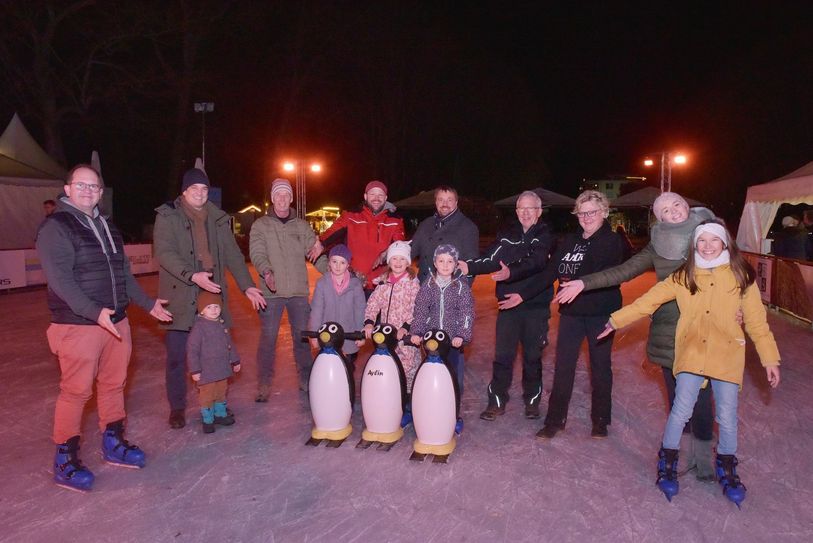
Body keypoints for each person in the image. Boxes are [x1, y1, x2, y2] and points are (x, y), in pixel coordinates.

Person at [599, 220, 780, 505]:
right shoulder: (684, 276)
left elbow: (757, 322)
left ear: (725, 243)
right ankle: (668, 460)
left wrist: (770, 358)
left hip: (726, 355)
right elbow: (649, 301)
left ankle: (727, 464)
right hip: (692, 354)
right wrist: (615, 320)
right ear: (694, 246)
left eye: (714, 240)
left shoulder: (741, 276)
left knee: (728, 417)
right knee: (680, 411)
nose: (708, 247)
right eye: (702, 241)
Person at [554, 192, 718, 479]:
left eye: (677, 204)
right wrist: (583, 282)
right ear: (660, 218)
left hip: (707, 325)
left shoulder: (712, 236)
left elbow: (738, 274)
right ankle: (682, 451)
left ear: (687, 205)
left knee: (703, 395)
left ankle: (704, 458)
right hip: (670, 325)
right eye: (665, 210)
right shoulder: (658, 245)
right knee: (678, 395)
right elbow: (623, 271)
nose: (674, 211)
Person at [37, 164, 173, 491]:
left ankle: (113, 442)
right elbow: (61, 281)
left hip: (116, 320)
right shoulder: (56, 227)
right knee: (76, 392)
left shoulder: (108, 227)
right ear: (67, 189)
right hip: (78, 324)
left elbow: (124, 275)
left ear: (100, 192)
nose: (88, 191)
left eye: (94, 187)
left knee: (114, 383)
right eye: (81, 185)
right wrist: (93, 312)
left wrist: (147, 303)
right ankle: (64, 458)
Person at [497, 190, 628, 439]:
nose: (586, 217)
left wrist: (578, 283)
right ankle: (555, 419)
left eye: (592, 212)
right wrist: (522, 295)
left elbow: (601, 271)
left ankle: (600, 419)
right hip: (571, 314)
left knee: (600, 366)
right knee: (563, 366)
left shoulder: (611, 241)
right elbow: (550, 273)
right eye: (582, 212)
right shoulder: (570, 241)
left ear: (603, 213)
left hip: (600, 312)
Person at [154, 168, 265, 429]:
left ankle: (216, 401)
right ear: (184, 191)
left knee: (216, 351)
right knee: (178, 356)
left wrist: (247, 286)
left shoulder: (217, 218)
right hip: (181, 293)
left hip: (210, 292)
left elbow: (233, 256)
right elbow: (164, 252)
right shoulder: (168, 216)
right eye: (195, 189)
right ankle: (178, 408)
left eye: (204, 189)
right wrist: (192, 275)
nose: (200, 194)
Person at [458, 190, 555, 421]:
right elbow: (491, 258)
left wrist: (511, 272)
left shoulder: (545, 234)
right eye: (521, 208)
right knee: (503, 356)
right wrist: (468, 266)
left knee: (532, 356)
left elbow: (537, 261)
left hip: (535, 306)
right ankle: (496, 400)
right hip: (507, 306)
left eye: (530, 208)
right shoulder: (508, 234)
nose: (525, 213)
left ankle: (532, 401)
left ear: (539, 211)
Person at [250, 178, 322, 400]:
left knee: (302, 338)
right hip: (271, 293)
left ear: (291, 199)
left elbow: (316, 253)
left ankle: (305, 379)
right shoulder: (261, 225)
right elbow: (257, 252)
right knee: (268, 339)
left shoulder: (300, 225)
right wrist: (266, 271)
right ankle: (263, 383)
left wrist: (338, 272)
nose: (282, 199)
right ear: (272, 198)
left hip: (298, 293)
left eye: (286, 195)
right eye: (278, 195)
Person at [310, 180, 405, 293]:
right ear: (365, 196)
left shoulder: (395, 220)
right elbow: (333, 230)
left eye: (380, 195)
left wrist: (385, 254)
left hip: (381, 283)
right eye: (372, 194)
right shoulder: (351, 215)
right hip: (354, 281)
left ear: (385, 198)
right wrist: (321, 242)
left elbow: (400, 246)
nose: (376, 198)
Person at [410, 244, 475, 396]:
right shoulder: (428, 285)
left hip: (453, 340)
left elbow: (467, 313)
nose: (445, 265)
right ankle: (433, 401)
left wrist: (462, 335)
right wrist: (418, 331)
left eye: (450, 261)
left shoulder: (461, 287)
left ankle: (453, 407)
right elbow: (421, 309)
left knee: (452, 375)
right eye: (441, 261)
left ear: (456, 264)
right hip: (431, 339)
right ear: (435, 263)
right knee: (433, 372)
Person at [364, 240, 421, 389]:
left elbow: (415, 308)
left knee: (407, 368)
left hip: (405, 336)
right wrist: (369, 321)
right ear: (389, 261)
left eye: (402, 259)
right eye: (394, 258)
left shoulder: (412, 284)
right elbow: (373, 303)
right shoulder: (383, 283)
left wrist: (406, 327)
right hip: (386, 336)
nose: (398, 262)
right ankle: (390, 396)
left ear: (408, 262)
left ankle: (409, 398)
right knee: (389, 367)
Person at [187, 292, 240, 434]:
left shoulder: (222, 325)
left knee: (221, 392)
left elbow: (230, 344)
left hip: (222, 368)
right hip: (206, 371)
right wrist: (195, 370)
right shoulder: (199, 328)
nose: (214, 310)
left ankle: (220, 414)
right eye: (209, 307)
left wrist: (235, 360)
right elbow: (192, 350)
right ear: (202, 310)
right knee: (207, 396)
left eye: (216, 306)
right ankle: (208, 420)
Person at [309, 244, 367, 372]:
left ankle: (347, 390)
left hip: (349, 334)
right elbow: (317, 310)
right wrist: (314, 335)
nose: (338, 266)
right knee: (328, 368)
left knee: (347, 368)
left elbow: (360, 310)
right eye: (334, 261)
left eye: (342, 262)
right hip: (328, 335)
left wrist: (360, 334)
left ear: (348, 264)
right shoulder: (322, 283)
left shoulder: (355, 284)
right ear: (329, 263)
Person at [410, 186, 479, 284]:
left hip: (450, 288)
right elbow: (411, 250)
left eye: (449, 200)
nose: (445, 204)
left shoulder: (468, 227)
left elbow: (471, 264)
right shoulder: (426, 223)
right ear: (436, 202)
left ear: (456, 202)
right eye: (441, 199)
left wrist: (459, 291)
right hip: (423, 286)